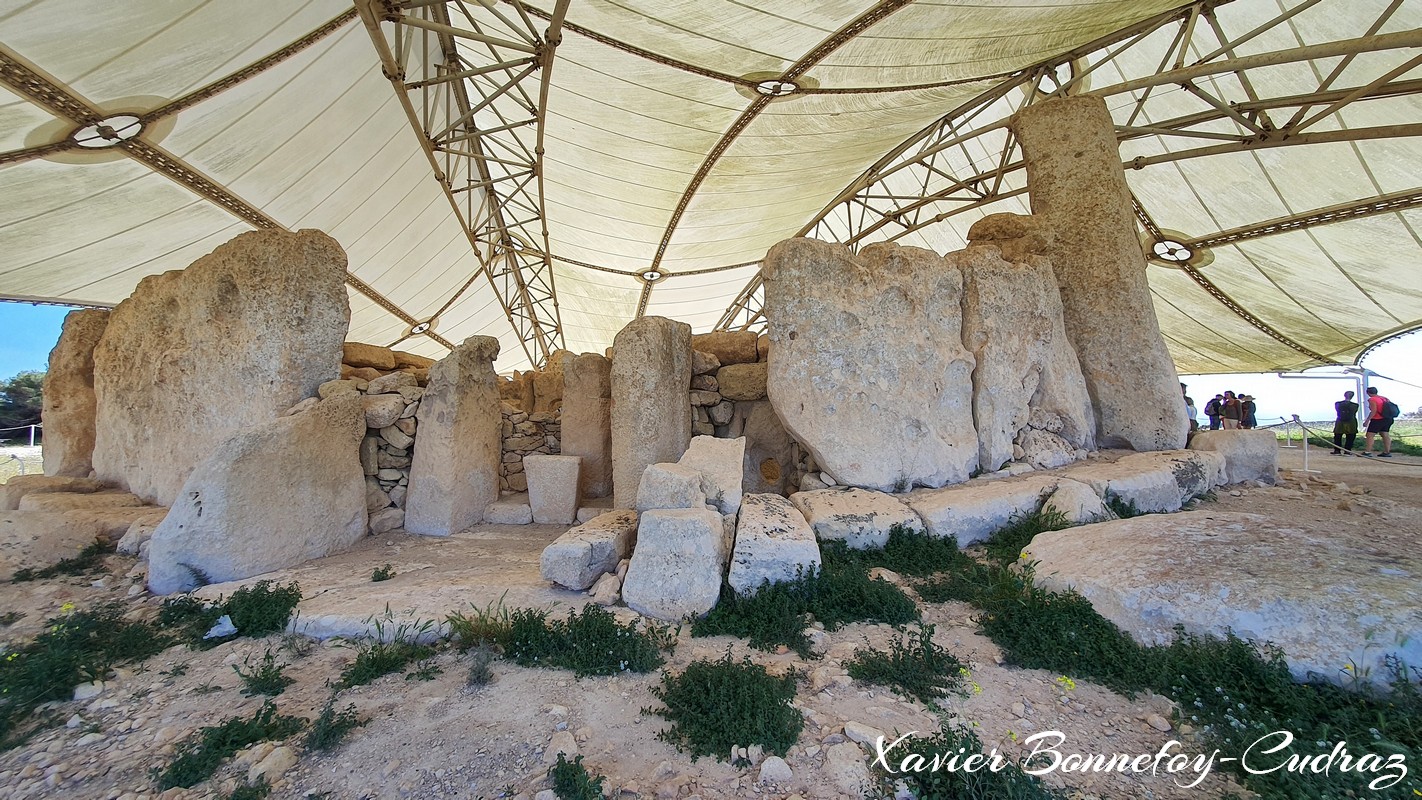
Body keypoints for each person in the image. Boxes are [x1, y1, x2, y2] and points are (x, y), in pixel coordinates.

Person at [1362, 386, 1394, 457]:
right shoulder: (1384, 398)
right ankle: (1387, 452)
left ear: (1368, 393)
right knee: (1385, 434)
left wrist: (1367, 421)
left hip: (1378, 419)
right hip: (1388, 419)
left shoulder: (1372, 399)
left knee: (1370, 435)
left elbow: (1373, 411)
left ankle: (1367, 452)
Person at [1332, 390, 1359, 454]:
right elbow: (1353, 412)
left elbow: (1337, 410)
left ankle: (1337, 450)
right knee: (1350, 436)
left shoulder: (1338, 403)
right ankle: (1347, 451)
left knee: (1337, 436)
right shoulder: (1355, 405)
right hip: (1351, 421)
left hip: (1340, 420)